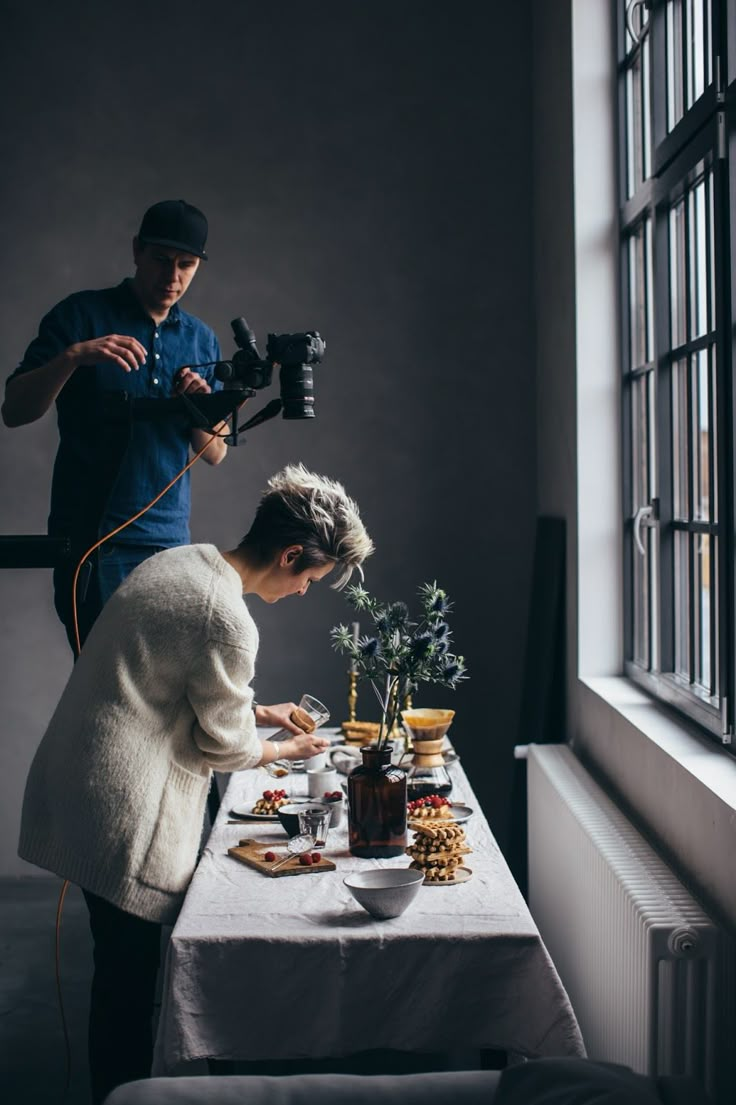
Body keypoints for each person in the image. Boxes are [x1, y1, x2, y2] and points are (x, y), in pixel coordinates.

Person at [18, 463, 374, 1104]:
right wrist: (283, 746)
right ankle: (125, 1095)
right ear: (290, 555)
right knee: (128, 983)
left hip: (83, 776)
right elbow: (226, 745)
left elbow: (168, 679)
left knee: (117, 971)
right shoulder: (228, 618)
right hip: (121, 804)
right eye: (311, 579)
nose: (302, 593)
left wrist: (257, 710)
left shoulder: (182, 562)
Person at [2, 199, 228, 651]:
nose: (173, 277)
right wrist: (73, 357)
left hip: (169, 543)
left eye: (186, 265)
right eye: (162, 260)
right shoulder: (80, 315)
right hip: (91, 540)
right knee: (101, 692)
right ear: (137, 251)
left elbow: (216, 452)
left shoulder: (202, 338)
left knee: (161, 693)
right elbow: (15, 411)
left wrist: (200, 408)